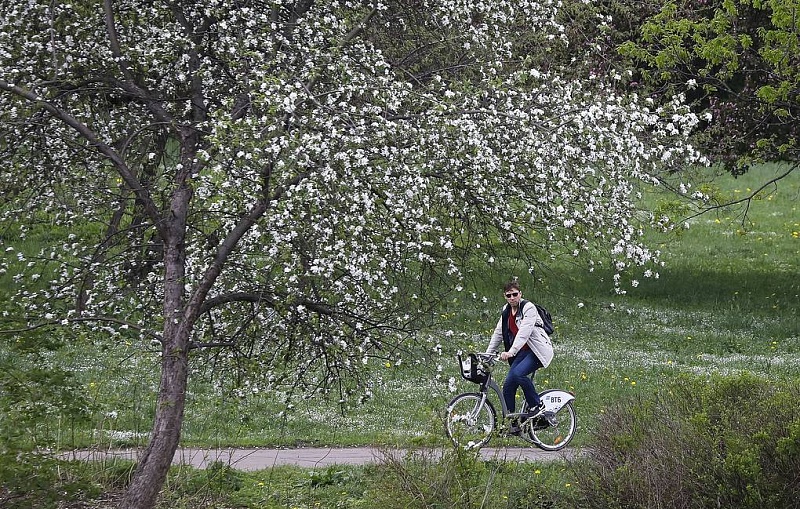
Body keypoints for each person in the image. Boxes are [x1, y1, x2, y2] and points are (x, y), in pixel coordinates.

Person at [486, 279, 553, 430]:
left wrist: (511, 352)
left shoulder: (528, 308)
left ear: (520, 294)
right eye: (508, 295)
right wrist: (487, 354)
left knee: (518, 374)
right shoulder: (506, 310)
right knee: (508, 386)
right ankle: (512, 423)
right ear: (505, 296)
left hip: (538, 351)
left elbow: (524, 332)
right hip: (522, 353)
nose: (512, 298)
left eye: (514, 294)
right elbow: (498, 332)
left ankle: (537, 406)